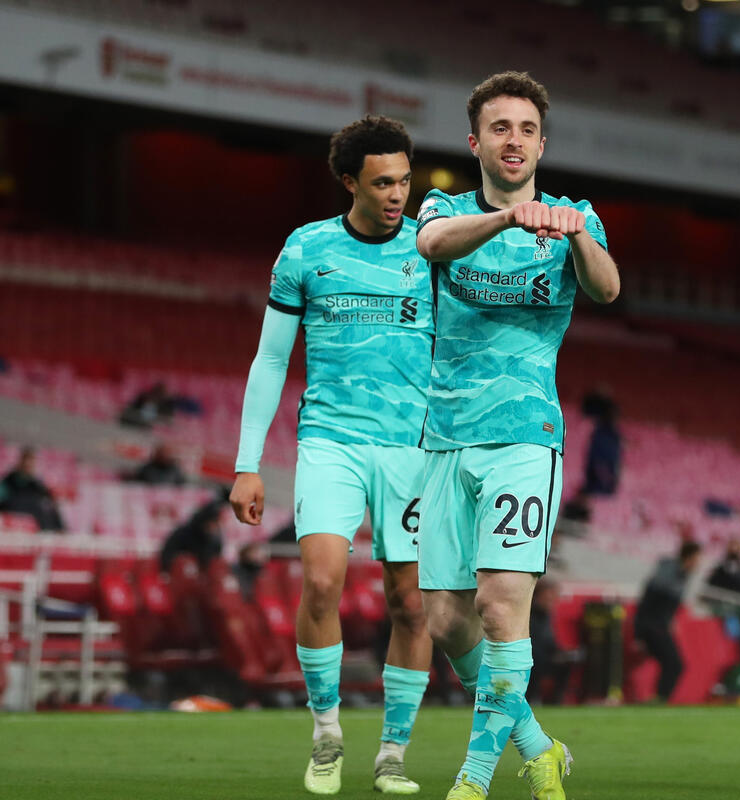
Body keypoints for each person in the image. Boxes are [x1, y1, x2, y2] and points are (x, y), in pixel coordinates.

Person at [414, 70, 619, 800]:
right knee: (446, 621)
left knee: (501, 607)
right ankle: (539, 747)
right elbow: (432, 244)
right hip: (444, 437)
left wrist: (575, 235)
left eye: (527, 130)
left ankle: (474, 778)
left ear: (541, 144)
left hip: (525, 438)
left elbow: (607, 288)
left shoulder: (575, 217)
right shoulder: (444, 207)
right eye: (500, 128)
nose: (514, 140)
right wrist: (508, 220)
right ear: (475, 142)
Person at [229, 116, 433, 796]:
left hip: (411, 449)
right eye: (382, 183)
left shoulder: (431, 251)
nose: (397, 194)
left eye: (404, 181)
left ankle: (393, 753)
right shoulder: (306, 249)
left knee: (411, 603)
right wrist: (247, 463)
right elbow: (270, 360)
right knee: (320, 584)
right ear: (350, 182)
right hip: (331, 442)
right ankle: (326, 734)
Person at [634, 540, 701, 704]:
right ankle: (660, 699)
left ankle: (659, 698)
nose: (698, 564)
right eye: (697, 559)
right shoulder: (667, 574)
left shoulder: (682, 575)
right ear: (688, 558)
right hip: (653, 627)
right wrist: (639, 634)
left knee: (672, 663)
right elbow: (647, 602)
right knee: (675, 663)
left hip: (659, 626)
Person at [0, 446, 64, 531]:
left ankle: (58, 530)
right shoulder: (10, 479)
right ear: (21, 462)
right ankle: (48, 530)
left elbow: (47, 497)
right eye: (26, 463)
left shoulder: (34, 483)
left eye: (31, 463)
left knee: (47, 506)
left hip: (31, 508)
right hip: (12, 506)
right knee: (37, 505)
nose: (28, 466)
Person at [159, 498, 223, 573]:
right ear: (206, 522)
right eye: (214, 522)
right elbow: (167, 556)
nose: (215, 527)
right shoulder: (183, 534)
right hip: (180, 574)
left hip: (202, 576)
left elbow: (214, 560)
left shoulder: (214, 541)